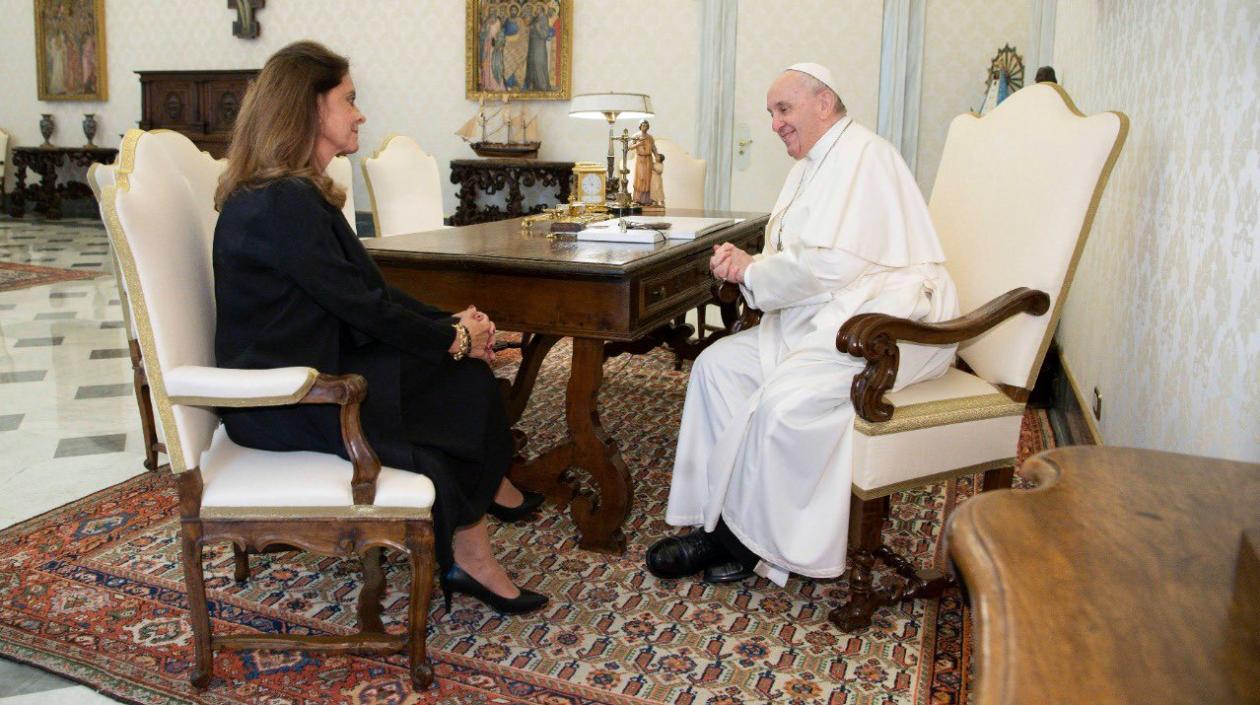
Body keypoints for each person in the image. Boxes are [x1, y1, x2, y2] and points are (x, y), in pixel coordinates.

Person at [213, 41, 547, 614]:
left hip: (319, 368)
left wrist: (450, 327)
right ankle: (473, 548)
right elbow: (362, 308)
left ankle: (473, 541)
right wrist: (453, 338)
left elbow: (370, 294)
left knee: (463, 382)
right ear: (311, 109)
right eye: (350, 100)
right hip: (285, 398)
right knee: (463, 386)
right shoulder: (278, 203)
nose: (360, 112)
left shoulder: (292, 195)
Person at [646, 63, 959, 586]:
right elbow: (793, 254)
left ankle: (747, 545)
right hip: (820, 318)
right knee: (716, 366)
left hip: (886, 326)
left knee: (784, 402)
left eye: (783, 109)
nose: (774, 123)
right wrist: (747, 263)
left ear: (823, 103)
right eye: (770, 113)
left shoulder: (867, 155)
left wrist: (754, 271)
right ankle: (715, 518)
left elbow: (835, 263)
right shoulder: (809, 164)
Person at [629, 121, 658, 205]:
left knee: (648, 179)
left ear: (648, 127)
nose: (644, 127)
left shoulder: (650, 137)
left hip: (648, 159)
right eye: (643, 125)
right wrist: (638, 144)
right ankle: (638, 199)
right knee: (640, 178)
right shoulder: (636, 136)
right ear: (640, 126)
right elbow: (630, 147)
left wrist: (657, 156)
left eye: (646, 125)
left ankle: (647, 200)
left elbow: (654, 148)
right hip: (640, 159)